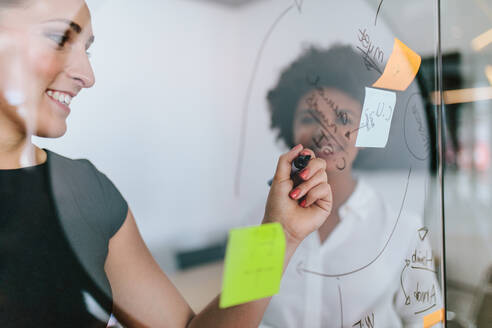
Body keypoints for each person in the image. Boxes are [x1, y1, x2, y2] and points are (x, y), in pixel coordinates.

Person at [0, 1, 334, 327]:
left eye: (86, 50)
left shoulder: (87, 192)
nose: (87, 75)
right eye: (59, 38)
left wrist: (278, 235)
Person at [257, 45, 442, 327]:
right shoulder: (256, 226)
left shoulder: (404, 230)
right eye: (309, 118)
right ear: (289, 127)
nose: (325, 131)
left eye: (343, 118)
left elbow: (428, 322)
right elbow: (238, 318)